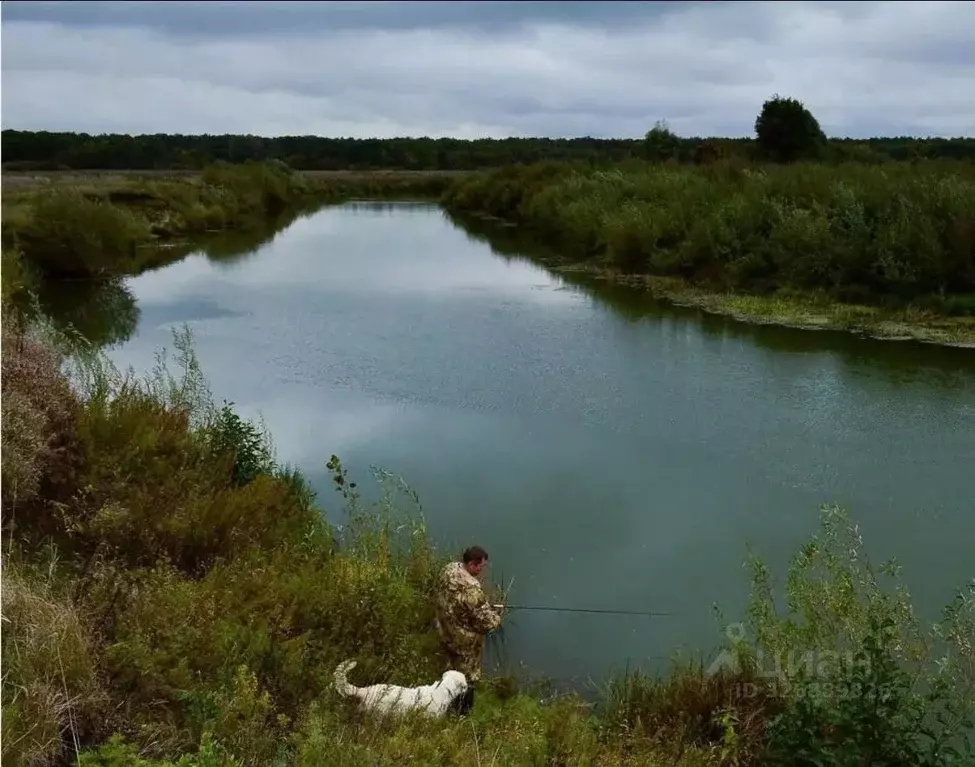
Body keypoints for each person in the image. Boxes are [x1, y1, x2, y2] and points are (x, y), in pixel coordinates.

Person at [434, 545, 504, 715]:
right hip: (464, 642)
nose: (482, 570)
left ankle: (443, 703)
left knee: (449, 671)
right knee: (468, 678)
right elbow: (487, 623)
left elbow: (459, 602)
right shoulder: (472, 589)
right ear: (472, 564)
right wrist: (496, 615)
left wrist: (481, 606)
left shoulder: (448, 569)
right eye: (481, 566)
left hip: (445, 632)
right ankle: (462, 714)